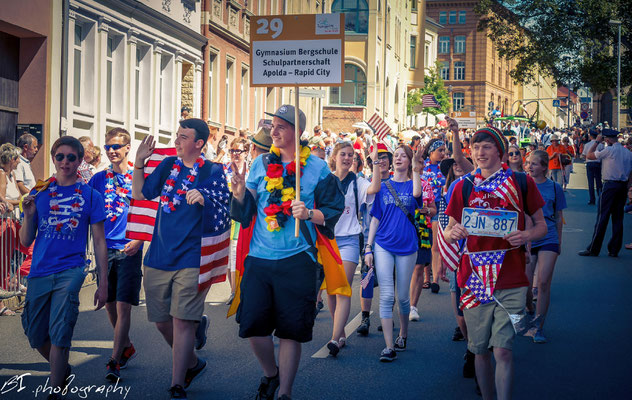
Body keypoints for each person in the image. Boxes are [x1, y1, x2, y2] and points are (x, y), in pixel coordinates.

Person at [230, 105, 344, 400]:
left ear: (298, 132)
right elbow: (245, 215)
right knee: (253, 326)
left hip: (299, 259)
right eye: (272, 126)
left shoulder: (317, 167)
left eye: (281, 126)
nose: (273, 131)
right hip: (259, 258)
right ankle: (271, 374)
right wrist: (240, 191)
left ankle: (285, 393)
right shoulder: (260, 165)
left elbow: (333, 209)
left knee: (291, 330)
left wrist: (308, 213)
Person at [443, 126, 547, 400]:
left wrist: (525, 234)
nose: (480, 152)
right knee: (479, 350)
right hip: (475, 280)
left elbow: (541, 227)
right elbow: (448, 229)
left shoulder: (521, 183)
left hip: (510, 277)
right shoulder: (463, 186)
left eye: (487, 146)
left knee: (502, 349)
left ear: (499, 152)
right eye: (476, 147)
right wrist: (452, 233)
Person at [132, 119, 229, 400]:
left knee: (180, 321)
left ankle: (177, 383)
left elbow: (225, 203)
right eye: (177, 136)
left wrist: (204, 196)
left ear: (198, 144)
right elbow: (140, 194)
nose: (177, 141)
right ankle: (192, 362)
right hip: (159, 255)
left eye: (183, 137)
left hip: (192, 257)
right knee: (162, 321)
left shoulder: (213, 170)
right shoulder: (167, 167)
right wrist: (139, 162)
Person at [19, 136, 108, 400]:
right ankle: (62, 368)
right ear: (53, 158)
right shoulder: (40, 192)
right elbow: (25, 240)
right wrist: (28, 214)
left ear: (80, 160)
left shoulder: (91, 195)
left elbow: (100, 241)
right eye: (61, 156)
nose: (66, 162)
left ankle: (56, 389)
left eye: (72, 157)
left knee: (60, 327)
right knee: (35, 333)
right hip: (40, 271)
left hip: (71, 270)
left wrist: (103, 282)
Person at [88, 128, 144, 381]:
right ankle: (126, 345)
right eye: (108, 146)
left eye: (117, 147)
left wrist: (140, 238)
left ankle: (114, 360)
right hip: (104, 249)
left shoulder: (137, 178)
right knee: (109, 303)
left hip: (128, 248)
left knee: (123, 306)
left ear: (127, 148)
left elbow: (151, 212)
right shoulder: (98, 179)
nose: (112, 151)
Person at [364, 145, 423, 362]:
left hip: (407, 246)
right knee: (387, 295)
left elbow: (417, 195)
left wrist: (416, 168)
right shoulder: (383, 187)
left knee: (403, 297)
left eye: (403, 156)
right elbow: (375, 218)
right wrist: (368, 247)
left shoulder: (413, 184)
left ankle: (403, 334)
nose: (398, 159)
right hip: (383, 244)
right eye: (395, 155)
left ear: (409, 161)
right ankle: (389, 346)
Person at [325, 142, 380, 356]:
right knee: (331, 290)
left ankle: (334, 337)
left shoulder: (358, 182)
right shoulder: (326, 180)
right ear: (335, 157)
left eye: (351, 156)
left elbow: (375, 188)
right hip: (328, 240)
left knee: (342, 287)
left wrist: (374, 161)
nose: (347, 158)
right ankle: (339, 333)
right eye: (343, 155)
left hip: (349, 239)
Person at [525, 150, 566, 343]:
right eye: (528, 163)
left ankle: (538, 327)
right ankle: (530, 307)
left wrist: (558, 241)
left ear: (543, 167)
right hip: (528, 236)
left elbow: (558, 217)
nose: (530, 166)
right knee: (524, 285)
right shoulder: (524, 185)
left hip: (548, 236)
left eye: (534, 163)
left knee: (542, 283)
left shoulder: (555, 187)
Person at [356, 143, 393, 336]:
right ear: (371, 163)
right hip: (368, 238)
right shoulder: (365, 183)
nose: (382, 161)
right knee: (366, 277)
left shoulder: (397, 182)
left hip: (391, 239)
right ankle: (365, 319)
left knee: (389, 279)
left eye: (385, 157)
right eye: (377, 158)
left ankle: (388, 316)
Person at [579, 129, 632, 257]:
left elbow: (589, 155)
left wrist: (596, 142)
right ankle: (614, 249)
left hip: (610, 185)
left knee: (602, 217)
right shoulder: (628, 153)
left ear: (606, 140)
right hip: (622, 186)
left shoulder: (609, 150)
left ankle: (594, 248)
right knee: (618, 218)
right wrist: (628, 186)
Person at [224, 137, 250, 306]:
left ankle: (236, 292)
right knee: (227, 258)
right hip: (224, 218)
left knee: (236, 255)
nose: (234, 154)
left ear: (246, 152)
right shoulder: (223, 169)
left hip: (239, 218)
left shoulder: (250, 171)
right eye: (232, 150)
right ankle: (233, 290)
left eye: (238, 151)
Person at [421, 138, 447, 293]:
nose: (443, 153)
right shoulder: (421, 167)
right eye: (440, 150)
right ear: (431, 152)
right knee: (425, 241)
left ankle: (435, 279)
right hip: (423, 207)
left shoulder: (445, 167)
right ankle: (426, 277)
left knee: (436, 244)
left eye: (444, 150)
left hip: (439, 206)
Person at [581, 130, 604, 205]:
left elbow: (584, 155)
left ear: (590, 136)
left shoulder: (587, 144)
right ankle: (600, 198)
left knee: (590, 182)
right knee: (598, 182)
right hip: (597, 163)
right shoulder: (601, 145)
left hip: (590, 163)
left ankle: (592, 200)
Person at [0, 144, 21, 212]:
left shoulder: (12, 174)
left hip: (15, 218)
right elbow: (2, 199)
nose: (19, 161)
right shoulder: (2, 174)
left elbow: (19, 196)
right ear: (12, 160)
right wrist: (21, 202)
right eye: (18, 158)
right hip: (5, 219)